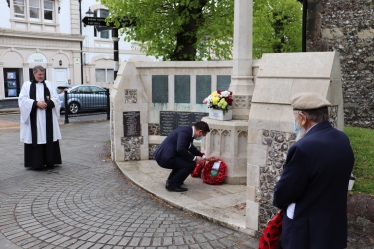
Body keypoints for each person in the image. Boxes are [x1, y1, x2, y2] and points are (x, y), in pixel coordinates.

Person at [273, 92, 354, 249]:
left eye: (296, 118)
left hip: (306, 232)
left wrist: (279, 201)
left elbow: (285, 191)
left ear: (303, 118)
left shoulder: (302, 148)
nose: (296, 122)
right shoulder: (342, 139)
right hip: (333, 227)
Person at [18, 65, 62, 170]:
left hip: (48, 116)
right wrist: (36, 103)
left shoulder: (49, 85)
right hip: (35, 117)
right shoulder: (27, 85)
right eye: (39, 74)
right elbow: (22, 100)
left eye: (43, 74)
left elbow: (56, 99)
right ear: (34, 74)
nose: (41, 76)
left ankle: (50, 161)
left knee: (49, 136)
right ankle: (36, 163)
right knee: (36, 137)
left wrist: (47, 104)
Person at [153, 121, 216, 192]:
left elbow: (191, 148)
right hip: (164, 157)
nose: (200, 137)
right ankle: (172, 185)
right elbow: (180, 149)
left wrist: (205, 158)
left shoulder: (188, 131)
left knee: (184, 162)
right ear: (199, 132)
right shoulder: (185, 133)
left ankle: (172, 180)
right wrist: (195, 159)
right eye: (202, 136)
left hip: (167, 155)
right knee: (190, 164)